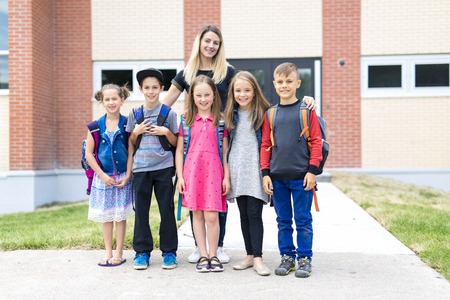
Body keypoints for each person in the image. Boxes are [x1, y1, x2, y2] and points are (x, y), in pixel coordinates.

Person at [162, 24, 235, 263]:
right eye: (207, 41)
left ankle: (219, 245)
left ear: (220, 46)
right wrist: (152, 120)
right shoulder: (188, 71)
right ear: (200, 43)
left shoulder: (228, 71)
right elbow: (168, 101)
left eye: (216, 42)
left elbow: (245, 96)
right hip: (195, 135)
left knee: (216, 195)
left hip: (220, 133)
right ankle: (199, 247)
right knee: (198, 198)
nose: (211, 46)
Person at [260, 62, 323, 278]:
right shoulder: (270, 114)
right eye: (280, 82)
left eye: (289, 81)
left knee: (303, 220)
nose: (284, 85)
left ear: (298, 83)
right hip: (278, 179)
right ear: (274, 84)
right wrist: (265, 173)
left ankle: (305, 258)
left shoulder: (307, 111)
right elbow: (265, 146)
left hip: (302, 178)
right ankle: (287, 257)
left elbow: (316, 141)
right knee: (283, 221)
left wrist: (312, 171)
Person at [175, 75, 230, 272]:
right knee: (196, 214)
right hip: (192, 173)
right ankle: (202, 254)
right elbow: (180, 151)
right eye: (199, 95)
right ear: (192, 96)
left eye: (207, 95)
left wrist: (227, 177)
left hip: (214, 174)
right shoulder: (186, 120)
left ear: (214, 95)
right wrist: (180, 176)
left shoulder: (221, 121)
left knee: (212, 216)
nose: (203, 99)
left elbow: (225, 152)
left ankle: (214, 254)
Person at [126, 68, 179, 270]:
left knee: (166, 210)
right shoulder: (134, 114)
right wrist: (136, 132)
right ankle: (141, 252)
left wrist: (165, 131)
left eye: (155, 87)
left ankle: (169, 252)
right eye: (147, 88)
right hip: (141, 169)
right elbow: (131, 142)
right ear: (140, 90)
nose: (151, 91)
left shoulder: (169, 114)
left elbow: (176, 141)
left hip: (164, 168)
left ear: (162, 89)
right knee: (141, 211)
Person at [223, 71, 271, 276]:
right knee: (243, 214)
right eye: (238, 90)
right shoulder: (229, 114)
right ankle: (249, 255)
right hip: (237, 168)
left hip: (256, 169)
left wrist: (308, 101)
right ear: (232, 93)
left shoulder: (265, 113)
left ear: (254, 91)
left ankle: (259, 258)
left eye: (247, 90)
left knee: (254, 213)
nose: (242, 94)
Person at [86, 84, 134, 267]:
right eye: (107, 99)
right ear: (102, 101)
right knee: (106, 216)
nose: (111, 102)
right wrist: (101, 175)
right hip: (103, 178)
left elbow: (131, 152)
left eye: (115, 99)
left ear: (122, 100)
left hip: (122, 177)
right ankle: (108, 252)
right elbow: (89, 154)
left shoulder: (127, 123)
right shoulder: (95, 127)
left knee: (120, 216)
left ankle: (119, 253)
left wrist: (128, 174)